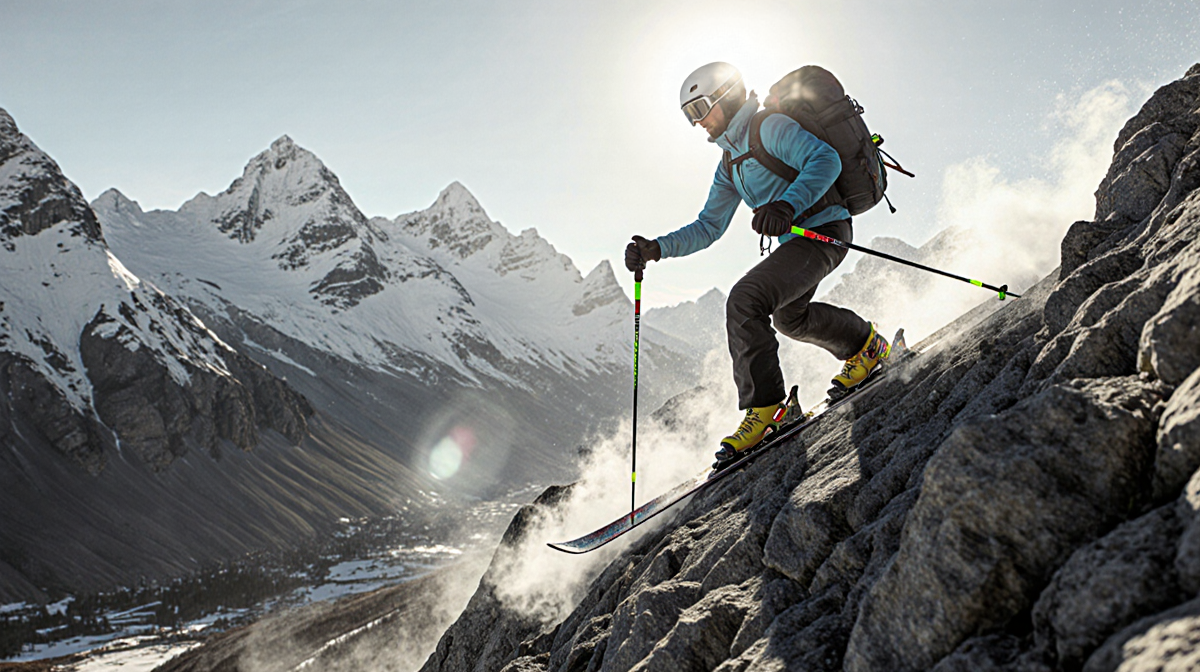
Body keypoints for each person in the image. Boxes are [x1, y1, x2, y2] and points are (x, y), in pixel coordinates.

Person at [625, 62, 890, 464]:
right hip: (797, 242)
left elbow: (825, 160)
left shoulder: (769, 127)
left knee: (746, 298)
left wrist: (787, 204)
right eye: (688, 116)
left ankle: (768, 410)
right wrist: (656, 248)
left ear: (726, 97)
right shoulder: (729, 162)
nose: (696, 123)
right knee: (789, 318)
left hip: (825, 230)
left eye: (698, 110)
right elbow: (708, 226)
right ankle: (866, 347)